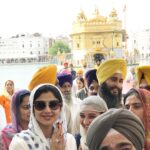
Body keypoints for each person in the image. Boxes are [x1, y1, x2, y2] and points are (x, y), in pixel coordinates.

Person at [9, 84, 77, 150]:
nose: (47, 110)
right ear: (32, 109)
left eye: (53, 104)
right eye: (40, 105)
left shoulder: (69, 140)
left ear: (61, 108)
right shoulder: (21, 142)